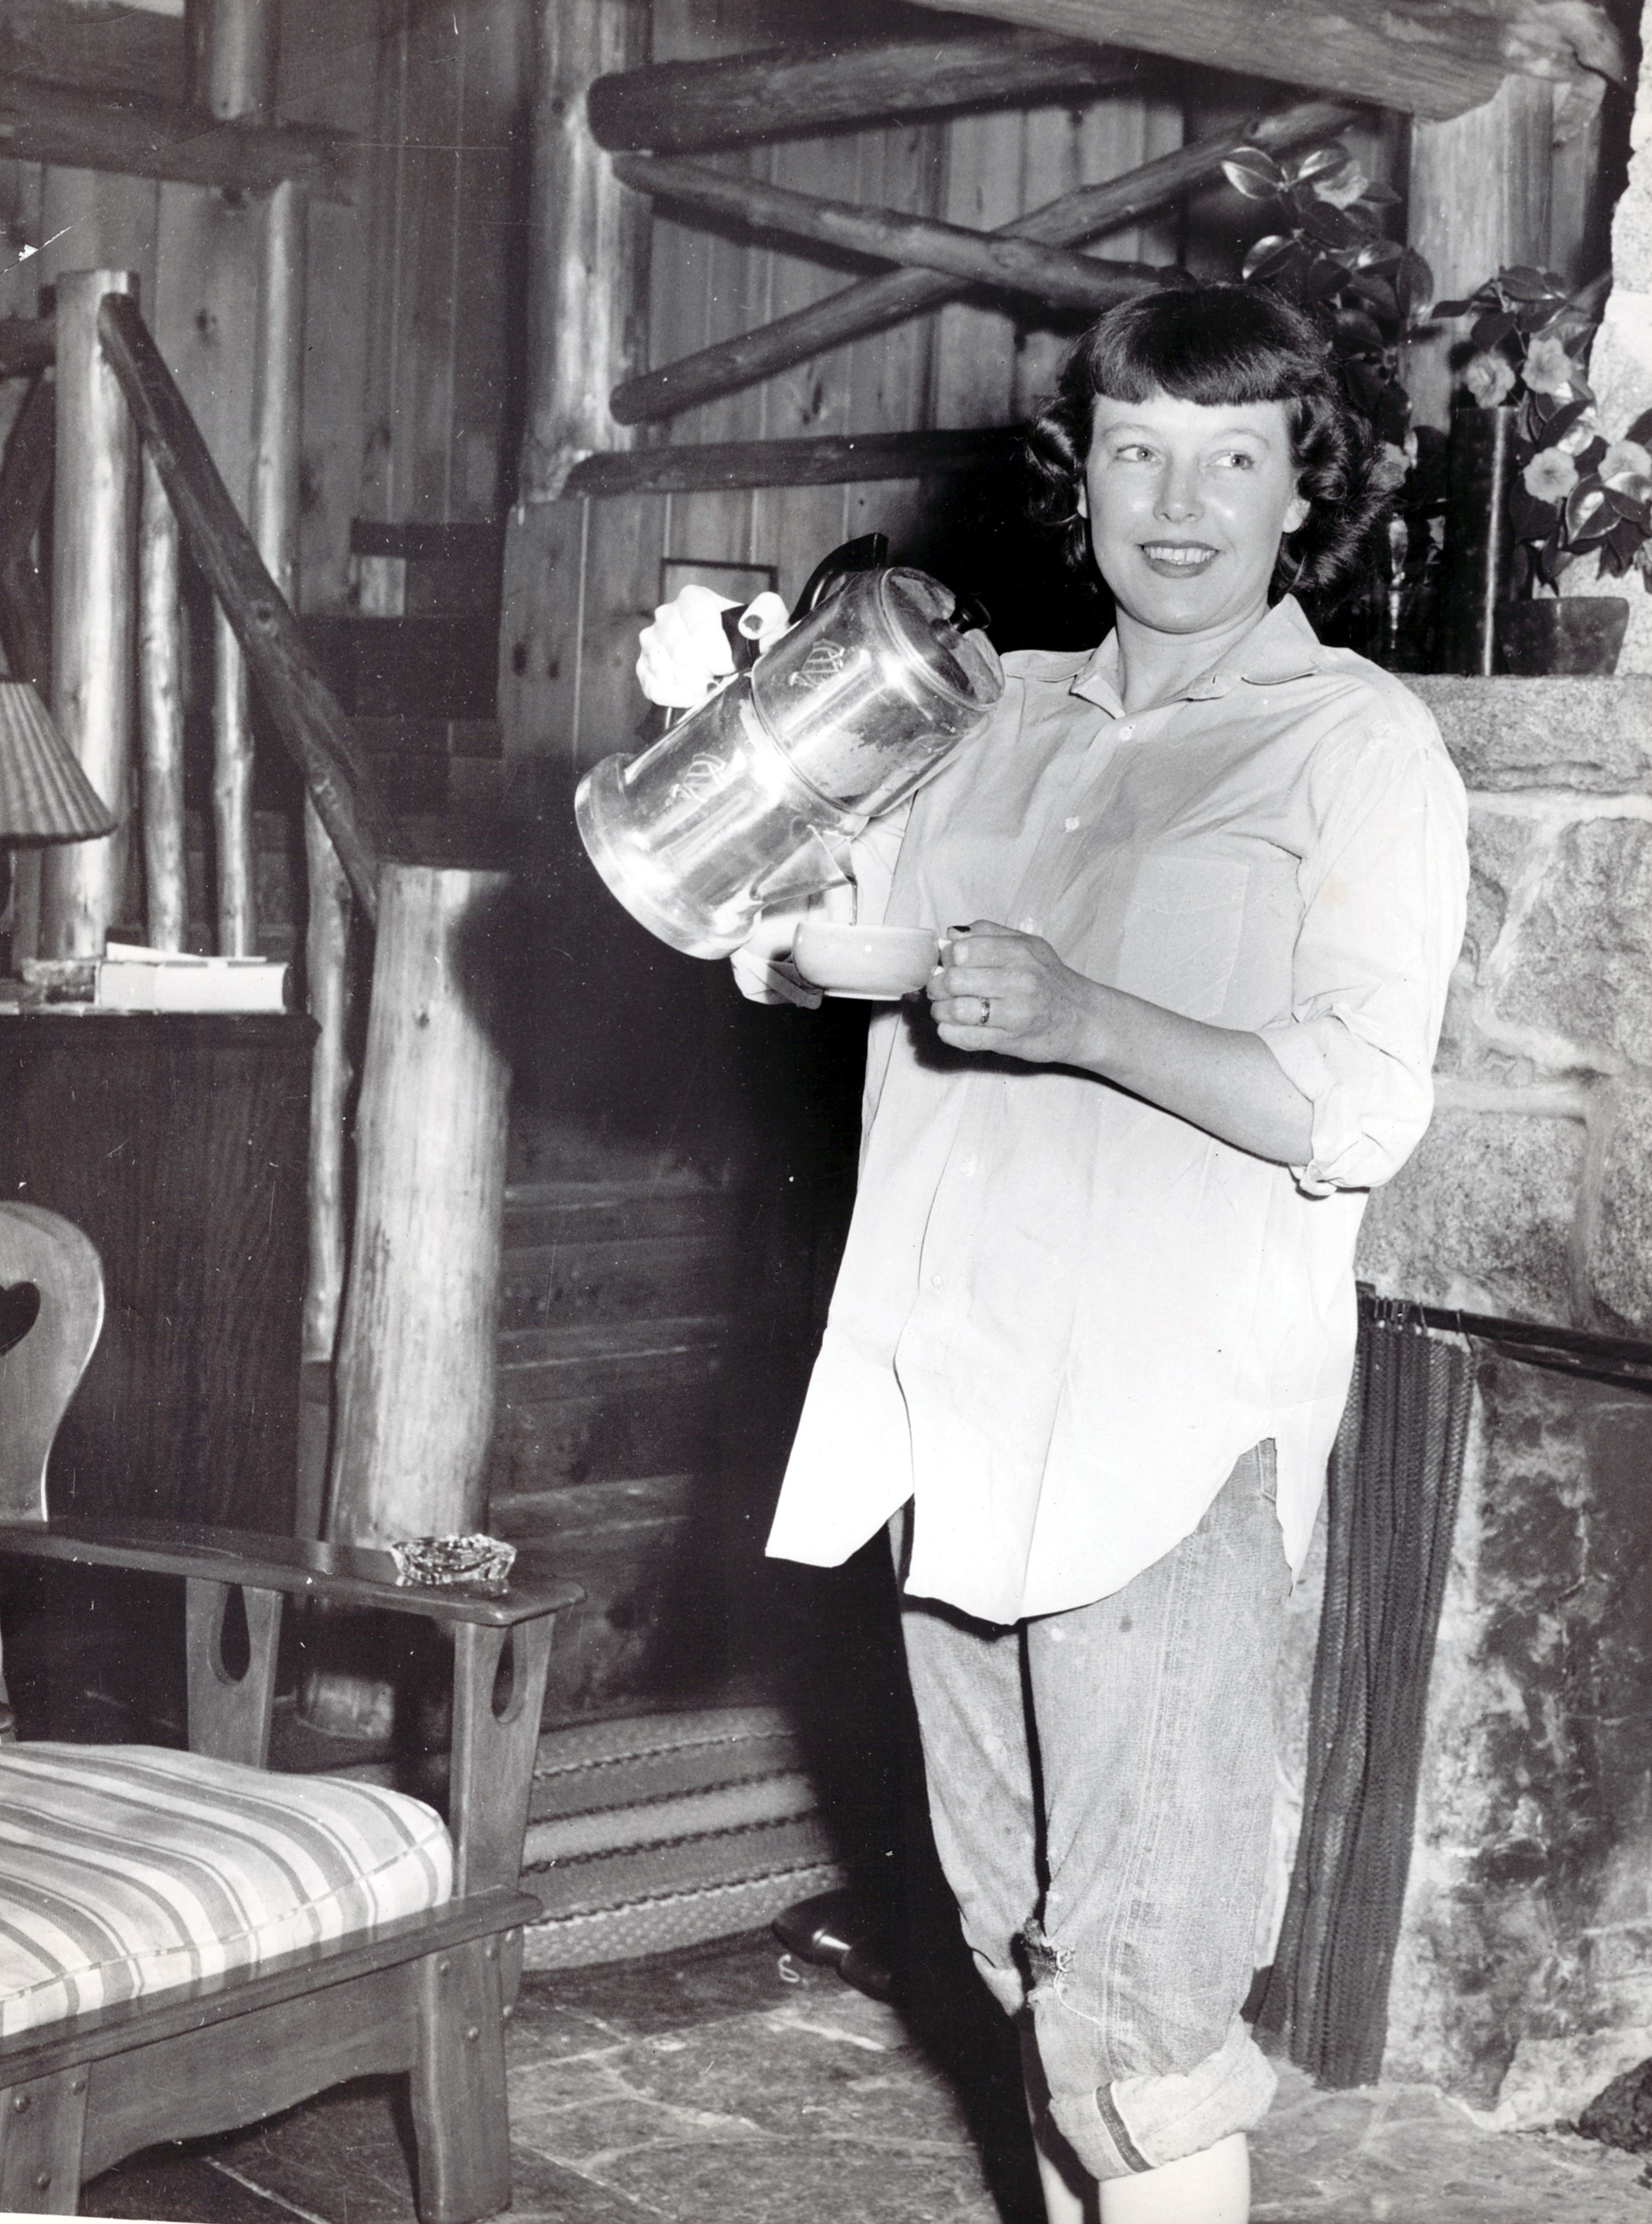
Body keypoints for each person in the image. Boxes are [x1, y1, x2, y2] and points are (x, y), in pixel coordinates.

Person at [636, 284, 1468, 2223]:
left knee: (1145, 2032)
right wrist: (718, 711)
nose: (1176, 504)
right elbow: (747, 916)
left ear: (1297, 490)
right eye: (1135, 453)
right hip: (955, 1424)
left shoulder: (1356, 748)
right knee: (1029, 1966)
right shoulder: (985, 715)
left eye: (1233, 457)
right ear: (1078, 474)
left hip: (1162, 1448)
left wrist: (1083, 1011)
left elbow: (1356, 1108)